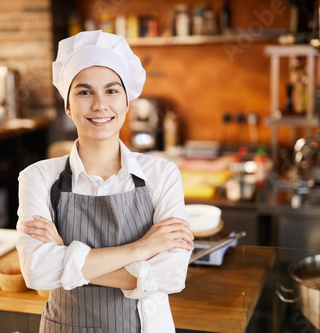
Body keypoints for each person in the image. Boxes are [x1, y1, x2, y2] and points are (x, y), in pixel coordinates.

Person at [16, 30, 194, 333]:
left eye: (112, 91)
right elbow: (38, 272)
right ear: (68, 106)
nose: (100, 105)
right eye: (84, 92)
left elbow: (171, 277)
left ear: (127, 103)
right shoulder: (39, 177)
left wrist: (66, 255)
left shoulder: (161, 175)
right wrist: (142, 249)